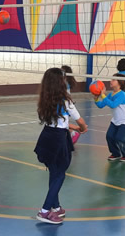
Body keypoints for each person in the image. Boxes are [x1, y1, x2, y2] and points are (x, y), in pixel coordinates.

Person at [34, 68, 87, 224]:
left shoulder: (44, 99)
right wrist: (82, 128)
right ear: (60, 82)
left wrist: (73, 128)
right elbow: (81, 121)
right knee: (60, 174)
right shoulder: (66, 101)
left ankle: (56, 208)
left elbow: (58, 121)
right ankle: (44, 211)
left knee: (54, 171)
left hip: (47, 137)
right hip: (59, 140)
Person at [94, 73, 125, 162]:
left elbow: (113, 105)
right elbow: (101, 105)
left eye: (113, 80)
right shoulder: (111, 95)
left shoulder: (122, 94)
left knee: (120, 139)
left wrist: (103, 95)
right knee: (109, 136)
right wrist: (96, 99)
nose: (110, 81)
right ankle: (116, 153)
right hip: (115, 121)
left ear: (120, 82)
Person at [61, 65, 80, 144]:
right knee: (63, 121)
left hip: (66, 104)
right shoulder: (65, 82)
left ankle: (73, 133)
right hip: (64, 103)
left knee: (63, 122)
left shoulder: (65, 83)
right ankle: (72, 134)